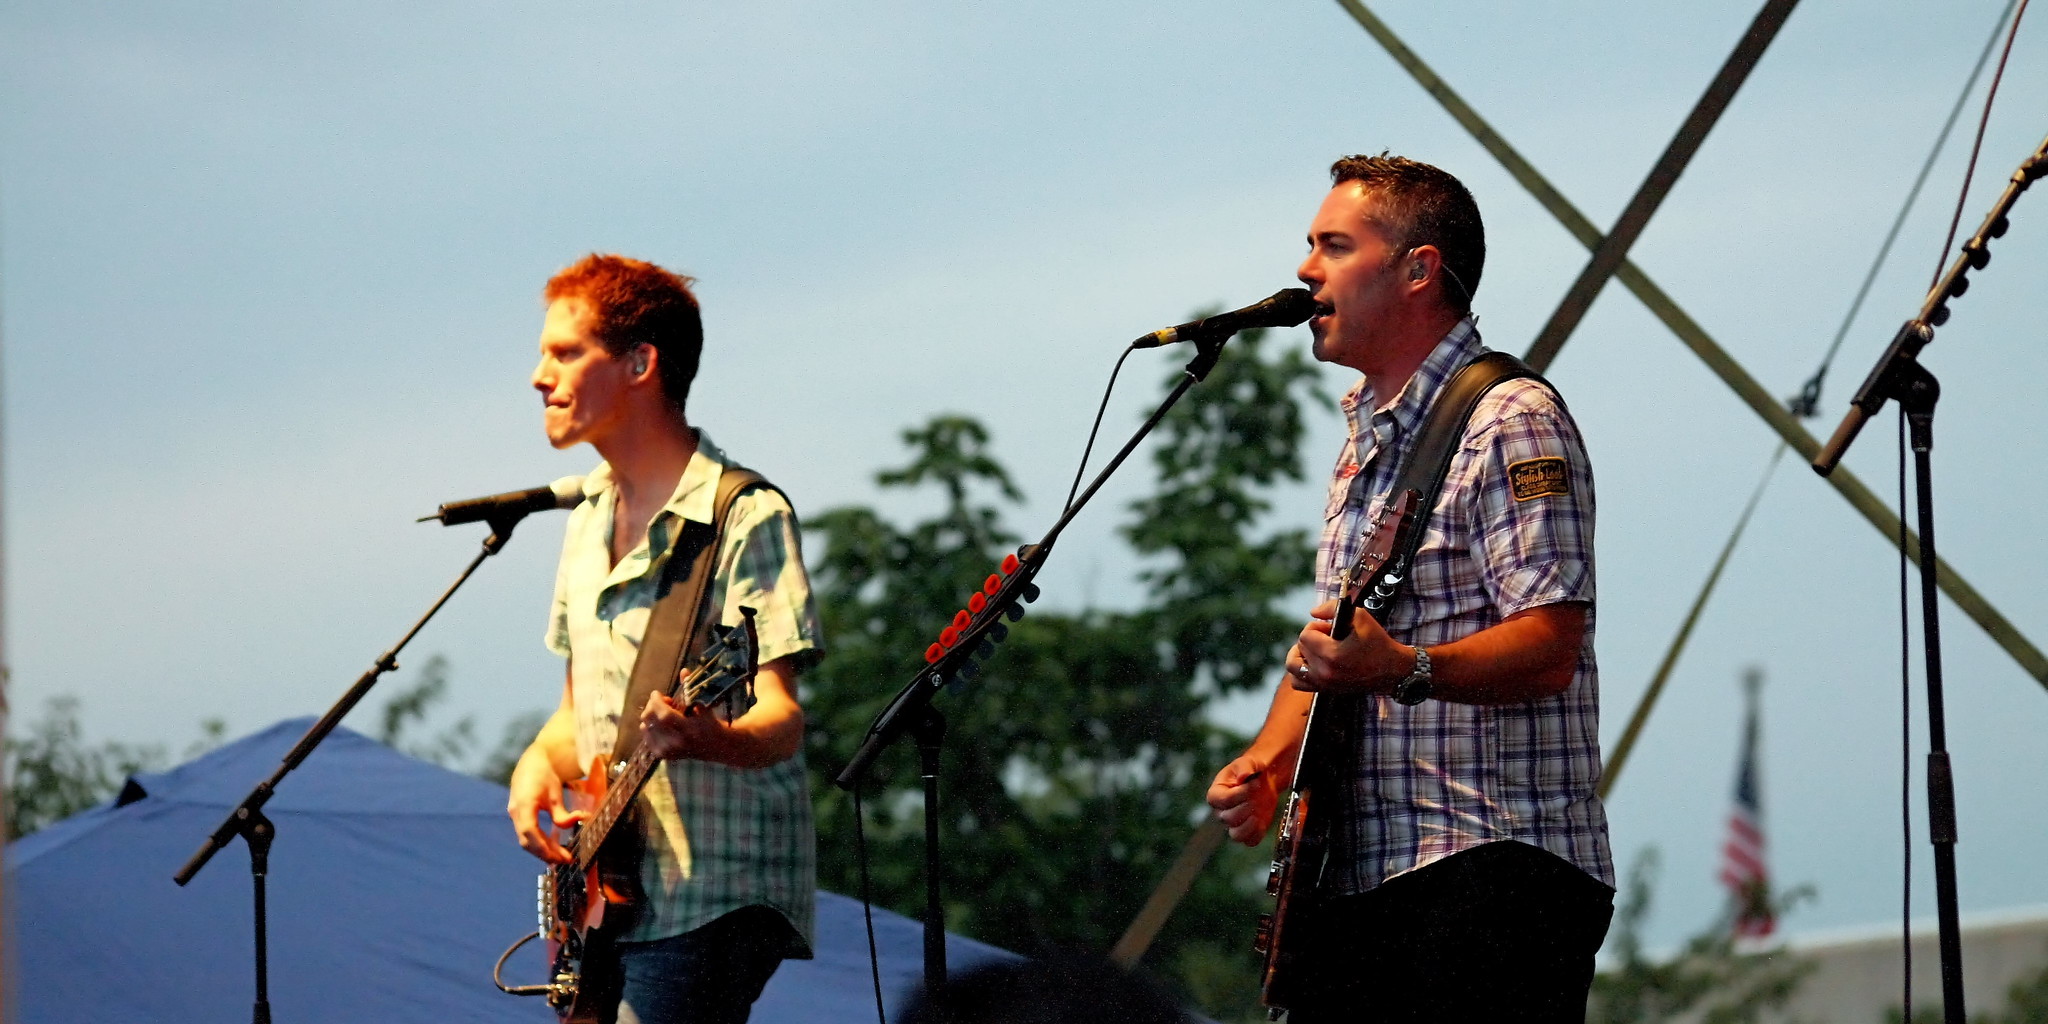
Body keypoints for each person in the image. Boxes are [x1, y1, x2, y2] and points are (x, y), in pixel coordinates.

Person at [1205, 155, 1614, 1022]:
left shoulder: (1512, 418)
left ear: (1419, 268)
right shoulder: (1365, 441)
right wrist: (1268, 761)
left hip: (1494, 874)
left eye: (1334, 245)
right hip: (1365, 883)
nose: (1306, 270)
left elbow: (1550, 647)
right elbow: (1335, 645)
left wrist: (1402, 668)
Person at [506, 253, 823, 1024]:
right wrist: (534, 766)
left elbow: (781, 720)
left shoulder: (744, 516)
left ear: (640, 363)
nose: (538, 376)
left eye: (564, 352)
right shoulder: (584, 524)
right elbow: (577, 712)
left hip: (712, 888)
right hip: (608, 889)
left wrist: (706, 737)